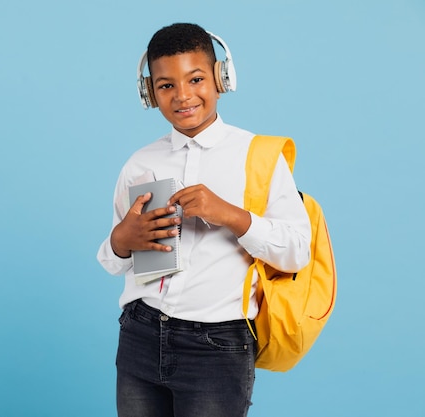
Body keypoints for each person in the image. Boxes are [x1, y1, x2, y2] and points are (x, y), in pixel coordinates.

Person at [96, 23, 312, 417]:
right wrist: (122, 239)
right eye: (165, 86)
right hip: (140, 334)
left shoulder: (258, 157)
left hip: (217, 345)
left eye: (195, 79)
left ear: (221, 77)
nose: (182, 96)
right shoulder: (140, 162)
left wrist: (230, 215)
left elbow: (297, 252)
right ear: (149, 93)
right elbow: (113, 262)